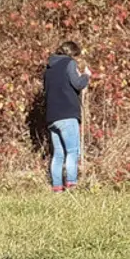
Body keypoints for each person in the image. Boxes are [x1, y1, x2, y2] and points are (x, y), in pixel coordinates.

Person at [42, 41, 90, 190]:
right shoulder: (69, 64)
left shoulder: (48, 69)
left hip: (52, 117)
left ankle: (57, 187)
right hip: (67, 114)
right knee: (72, 151)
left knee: (58, 154)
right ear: (72, 53)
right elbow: (77, 84)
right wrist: (86, 76)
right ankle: (71, 184)